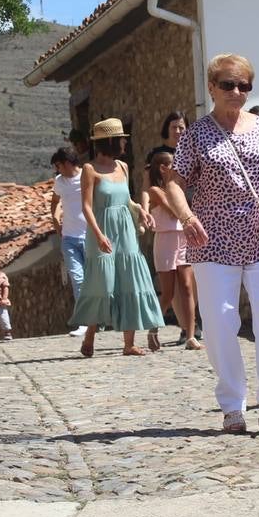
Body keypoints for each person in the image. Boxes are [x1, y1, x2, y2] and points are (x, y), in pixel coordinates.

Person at [162, 54, 259, 433]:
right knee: (221, 321)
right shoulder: (197, 135)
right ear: (211, 88)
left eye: (244, 86)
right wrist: (187, 218)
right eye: (228, 85)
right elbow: (174, 182)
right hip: (213, 241)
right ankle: (232, 404)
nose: (236, 92)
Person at [70, 118, 164, 357]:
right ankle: (90, 336)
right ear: (109, 141)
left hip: (125, 231)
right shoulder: (89, 170)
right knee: (104, 283)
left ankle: (128, 343)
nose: (124, 142)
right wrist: (99, 235)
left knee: (129, 280)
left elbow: (126, 200)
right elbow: (87, 207)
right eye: (121, 139)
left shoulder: (122, 167)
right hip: (102, 232)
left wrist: (140, 211)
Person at [145, 151, 201, 350]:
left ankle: (191, 336)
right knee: (168, 293)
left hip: (182, 239)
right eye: (173, 164)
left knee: (187, 287)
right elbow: (174, 210)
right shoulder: (155, 191)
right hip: (166, 240)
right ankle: (153, 329)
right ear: (163, 168)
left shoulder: (179, 189)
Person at [50, 147, 88, 338]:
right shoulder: (59, 182)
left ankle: (101, 319)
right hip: (69, 238)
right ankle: (84, 322)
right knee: (77, 278)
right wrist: (56, 218)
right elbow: (55, 201)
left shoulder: (86, 176)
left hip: (90, 236)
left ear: (67, 163)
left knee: (95, 279)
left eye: (58, 165)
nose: (57, 170)